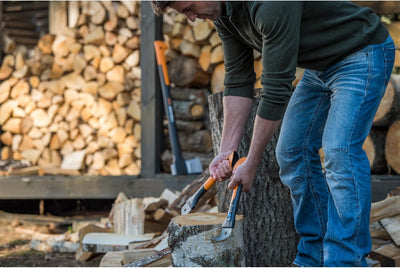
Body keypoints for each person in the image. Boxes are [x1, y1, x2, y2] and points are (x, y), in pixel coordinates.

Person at [151, 1, 396, 266]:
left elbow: (276, 89)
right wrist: (226, 152)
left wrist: (252, 162)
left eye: (188, 8)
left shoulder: (270, 4)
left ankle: (346, 260)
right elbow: (237, 79)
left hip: (361, 52)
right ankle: (312, 257)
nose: (190, 18)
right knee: (291, 152)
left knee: (340, 151)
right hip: (320, 68)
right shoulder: (224, 13)